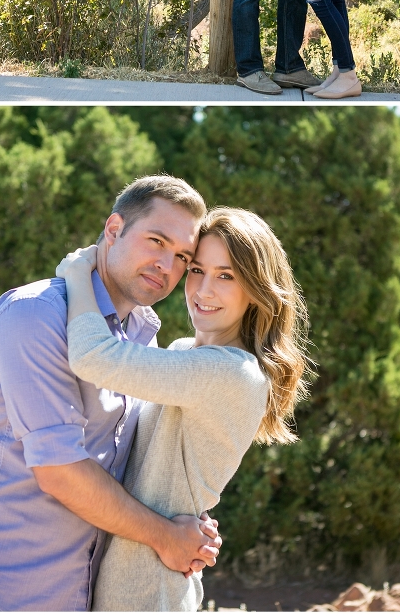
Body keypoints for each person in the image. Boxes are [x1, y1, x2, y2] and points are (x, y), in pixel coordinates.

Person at [0, 176, 223, 612]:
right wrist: (166, 537)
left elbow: (137, 461)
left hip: (75, 598)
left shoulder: (142, 336)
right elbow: (59, 469)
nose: (167, 265)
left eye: (182, 256)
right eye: (156, 241)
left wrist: (190, 524)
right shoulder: (35, 315)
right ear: (114, 228)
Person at [61, 207, 311, 611]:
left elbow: (94, 358)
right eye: (196, 270)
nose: (203, 290)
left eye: (226, 276)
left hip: (147, 590)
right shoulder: (185, 353)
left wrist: (77, 271)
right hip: (131, 574)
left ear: (256, 289)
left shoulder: (232, 371)